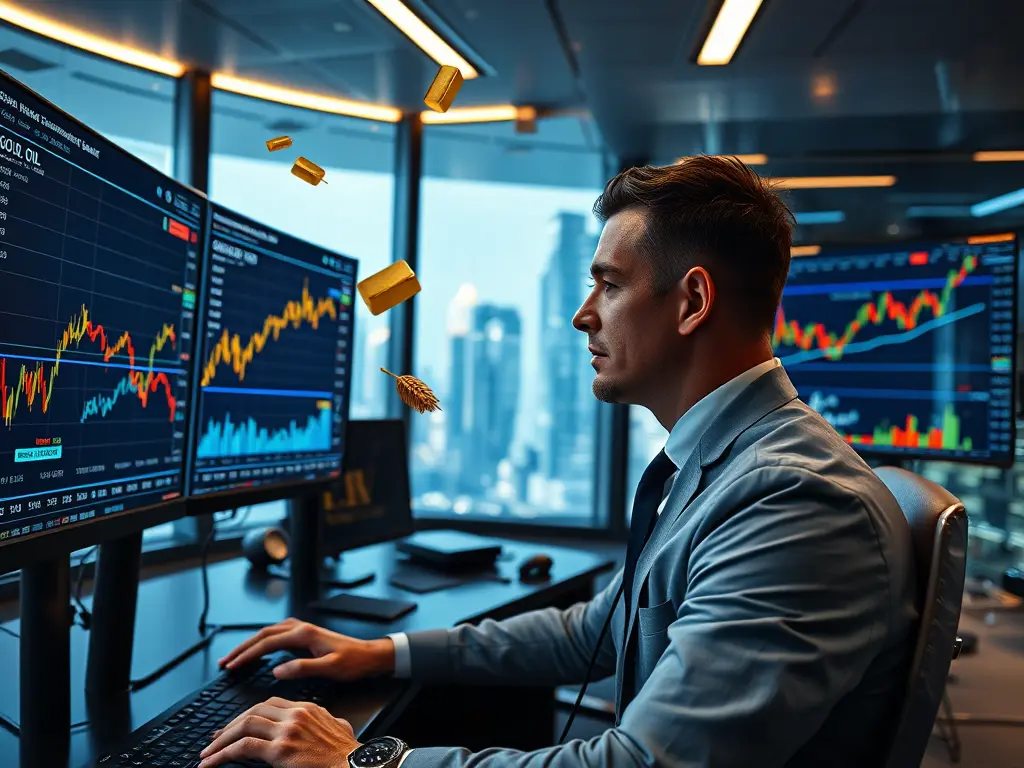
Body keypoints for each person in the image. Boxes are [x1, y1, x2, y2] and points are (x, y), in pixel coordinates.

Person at [197, 156, 917, 768]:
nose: (583, 314)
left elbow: (640, 765)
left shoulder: (793, 501)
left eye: (609, 284)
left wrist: (367, 759)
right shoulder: (730, 464)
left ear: (693, 301)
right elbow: (594, 632)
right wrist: (384, 652)